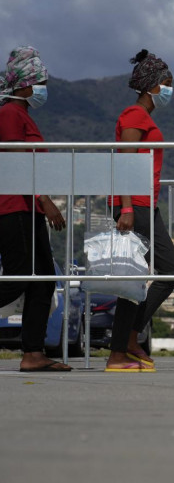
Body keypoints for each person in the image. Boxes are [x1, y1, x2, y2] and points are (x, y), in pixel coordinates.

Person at [105, 49, 174, 372]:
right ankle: (120, 350)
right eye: (166, 83)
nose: (169, 89)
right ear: (151, 85)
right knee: (143, 277)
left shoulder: (144, 118)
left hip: (146, 204)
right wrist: (124, 207)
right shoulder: (135, 116)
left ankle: (130, 338)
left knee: (162, 273)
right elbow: (124, 161)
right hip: (133, 205)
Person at [0, 46, 70, 372]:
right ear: (24, 86)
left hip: (30, 209)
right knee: (17, 279)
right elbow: (16, 160)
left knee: (43, 281)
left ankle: (33, 353)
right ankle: (32, 352)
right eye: (40, 82)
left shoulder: (23, 115)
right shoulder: (10, 114)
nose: (43, 89)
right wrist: (44, 199)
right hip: (15, 208)